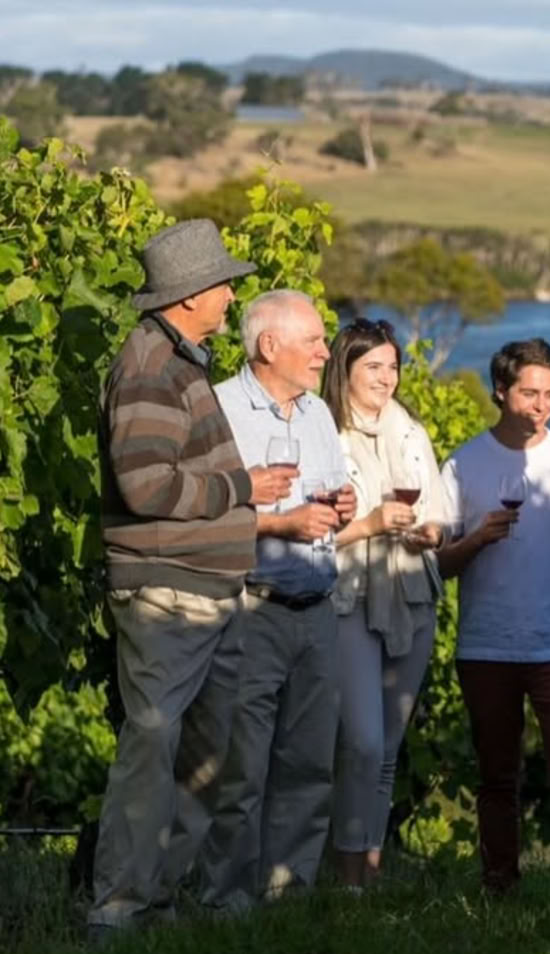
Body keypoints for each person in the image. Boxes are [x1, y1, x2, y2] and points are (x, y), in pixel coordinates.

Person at [90, 220, 295, 933]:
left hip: (203, 590)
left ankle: (156, 902)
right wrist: (241, 486)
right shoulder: (151, 367)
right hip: (168, 592)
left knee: (200, 756)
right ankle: (119, 910)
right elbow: (147, 487)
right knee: (154, 746)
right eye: (224, 284)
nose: (233, 294)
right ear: (189, 296)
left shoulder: (183, 359)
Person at [437, 337, 550, 897]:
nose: (540, 405)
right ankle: (499, 888)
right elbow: (437, 564)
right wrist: (476, 541)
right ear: (500, 391)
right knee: (496, 776)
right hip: (485, 645)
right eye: (529, 393)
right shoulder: (464, 464)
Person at [198, 290, 355, 911]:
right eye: (315, 340)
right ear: (270, 346)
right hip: (251, 610)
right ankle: (227, 904)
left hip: (317, 609)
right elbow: (205, 513)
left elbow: (329, 496)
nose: (325, 350)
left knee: (311, 765)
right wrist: (280, 526)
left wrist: (341, 506)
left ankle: (288, 900)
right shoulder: (218, 411)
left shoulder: (316, 411)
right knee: (241, 770)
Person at [320, 317, 445, 890]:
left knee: (389, 747)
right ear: (344, 368)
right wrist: (370, 524)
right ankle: (346, 877)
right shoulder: (323, 435)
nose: (387, 378)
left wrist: (429, 535)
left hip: (413, 593)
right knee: (363, 741)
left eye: (393, 366)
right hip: (350, 596)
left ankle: (369, 872)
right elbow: (315, 535)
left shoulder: (411, 431)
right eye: (373, 367)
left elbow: (436, 517)